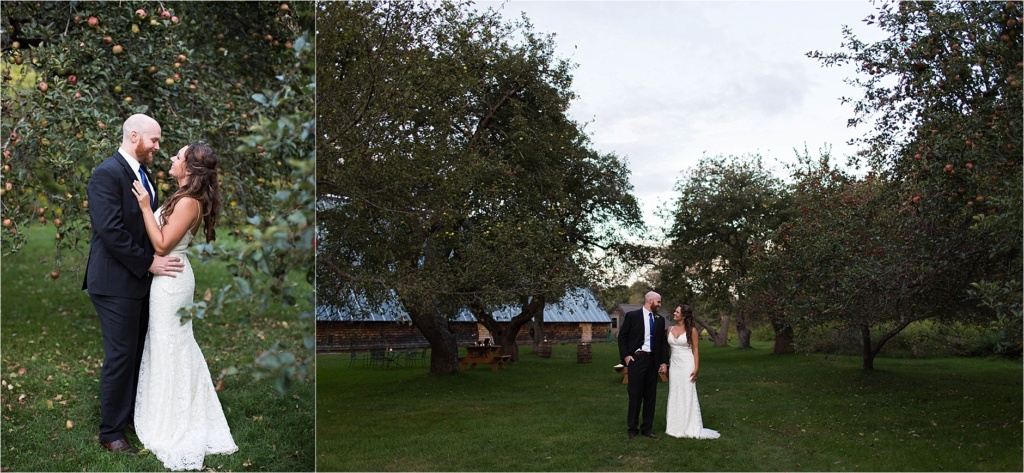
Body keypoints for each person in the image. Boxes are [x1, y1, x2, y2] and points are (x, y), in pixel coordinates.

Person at [131, 143, 238, 470]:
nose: (172, 160)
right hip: (169, 275)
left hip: (172, 280)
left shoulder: (189, 202)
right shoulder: (183, 197)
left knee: (172, 345)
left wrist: (146, 208)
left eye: (178, 157)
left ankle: (175, 420)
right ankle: (166, 409)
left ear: (189, 168)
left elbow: (163, 243)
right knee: (168, 345)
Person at [83, 113, 185, 455]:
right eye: (153, 140)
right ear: (133, 136)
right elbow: (111, 231)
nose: (158, 146)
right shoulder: (107, 174)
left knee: (136, 353)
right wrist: (149, 263)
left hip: (137, 281)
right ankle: (111, 433)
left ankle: (128, 417)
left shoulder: (143, 175)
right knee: (121, 356)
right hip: (113, 283)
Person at [618, 291, 669, 439]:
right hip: (637, 360)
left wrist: (664, 362)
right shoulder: (633, 316)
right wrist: (626, 356)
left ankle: (647, 428)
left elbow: (662, 342)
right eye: (658, 302)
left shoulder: (660, 320)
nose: (660, 305)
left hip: (653, 361)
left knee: (650, 396)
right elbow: (622, 337)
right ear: (650, 300)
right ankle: (632, 428)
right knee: (635, 394)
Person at [664, 305, 720, 439]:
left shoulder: (692, 331)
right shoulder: (669, 330)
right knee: (675, 392)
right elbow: (667, 349)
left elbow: (695, 350)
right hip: (675, 366)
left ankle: (690, 425)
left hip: (687, 365)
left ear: (683, 315)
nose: (674, 313)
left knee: (687, 392)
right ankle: (674, 426)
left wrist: (696, 368)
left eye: (677, 312)